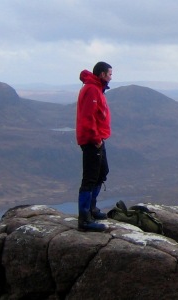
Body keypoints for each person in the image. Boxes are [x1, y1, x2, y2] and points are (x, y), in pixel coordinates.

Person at [75, 61, 113, 231]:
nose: (111, 77)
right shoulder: (91, 89)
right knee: (90, 178)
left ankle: (92, 209)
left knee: (101, 172)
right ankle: (84, 220)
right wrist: (96, 138)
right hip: (92, 140)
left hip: (97, 139)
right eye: (110, 74)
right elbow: (87, 117)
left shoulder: (97, 88)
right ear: (102, 74)